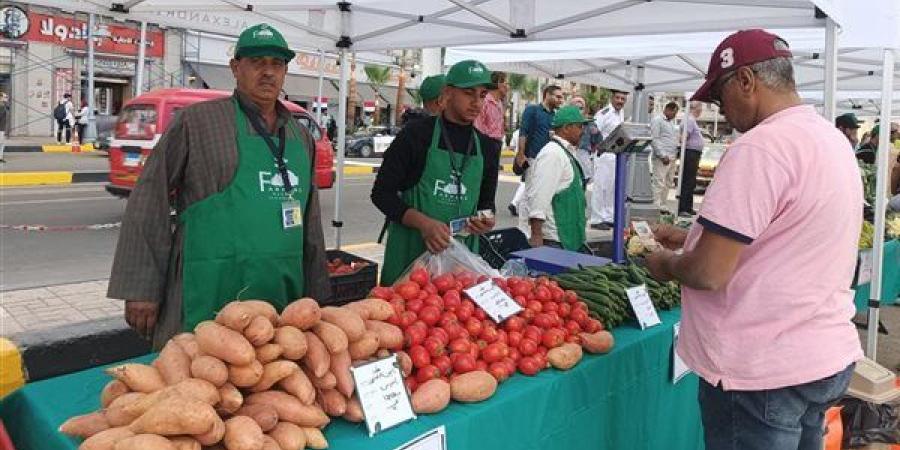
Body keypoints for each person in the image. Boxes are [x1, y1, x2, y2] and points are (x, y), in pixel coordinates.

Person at [645, 29, 862, 450]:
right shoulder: (830, 140)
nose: (720, 109)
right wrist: (694, 235)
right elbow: (786, 232)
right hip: (821, 355)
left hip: (762, 369)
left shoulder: (759, 148)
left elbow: (708, 273)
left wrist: (664, 263)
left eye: (719, 95)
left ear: (746, 81)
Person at [108, 23, 331, 348]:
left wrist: (317, 296)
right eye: (257, 62)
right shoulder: (197, 122)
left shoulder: (301, 138)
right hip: (209, 288)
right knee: (196, 378)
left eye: (276, 64)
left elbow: (310, 223)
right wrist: (141, 288)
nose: (268, 72)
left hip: (281, 298)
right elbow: (148, 198)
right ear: (235, 68)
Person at [371, 59, 499, 286]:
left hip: (460, 266)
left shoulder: (488, 147)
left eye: (482, 95)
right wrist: (424, 224)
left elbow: (486, 204)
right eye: (469, 93)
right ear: (447, 93)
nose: (477, 103)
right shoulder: (415, 136)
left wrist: (485, 220)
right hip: (410, 259)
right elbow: (382, 194)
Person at [519, 105, 590, 251]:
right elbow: (539, 196)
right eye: (579, 126)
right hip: (555, 240)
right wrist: (536, 235)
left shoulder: (565, 152)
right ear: (566, 128)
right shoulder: (552, 154)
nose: (582, 131)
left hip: (568, 237)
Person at [509, 85, 563, 216]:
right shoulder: (532, 110)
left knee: (542, 194)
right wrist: (521, 154)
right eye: (558, 96)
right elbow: (524, 132)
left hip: (548, 161)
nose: (561, 100)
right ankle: (524, 228)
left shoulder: (555, 116)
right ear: (547, 95)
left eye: (562, 97)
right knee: (529, 194)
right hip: (532, 158)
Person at [590, 89, 628, 230]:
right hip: (604, 154)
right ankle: (596, 218)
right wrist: (598, 146)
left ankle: (608, 217)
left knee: (612, 187)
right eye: (617, 98)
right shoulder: (604, 113)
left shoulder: (621, 113)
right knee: (601, 187)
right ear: (612, 98)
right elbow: (593, 130)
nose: (620, 101)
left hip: (616, 155)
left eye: (623, 99)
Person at [474, 71, 508, 171]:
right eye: (506, 83)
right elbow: (478, 126)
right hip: (485, 145)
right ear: (498, 83)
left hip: (497, 144)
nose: (508, 87)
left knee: (492, 180)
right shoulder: (484, 102)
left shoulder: (499, 103)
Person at [649, 101, 680, 212]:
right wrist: (662, 155)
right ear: (667, 109)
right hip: (662, 157)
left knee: (668, 182)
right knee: (659, 182)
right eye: (674, 113)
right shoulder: (658, 121)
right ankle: (655, 205)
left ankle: (662, 204)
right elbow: (654, 138)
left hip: (672, 156)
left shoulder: (671, 122)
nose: (675, 115)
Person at [678, 101, 705, 216]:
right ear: (696, 108)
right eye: (700, 108)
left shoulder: (691, 120)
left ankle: (688, 207)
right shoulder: (689, 120)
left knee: (691, 181)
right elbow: (684, 137)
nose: (701, 111)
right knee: (688, 181)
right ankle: (683, 208)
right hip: (690, 153)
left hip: (693, 153)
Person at [568, 96, 601, 182]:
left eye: (581, 108)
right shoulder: (564, 123)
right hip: (568, 159)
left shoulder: (590, 124)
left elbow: (598, 142)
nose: (578, 110)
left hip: (584, 159)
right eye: (575, 107)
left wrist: (589, 153)